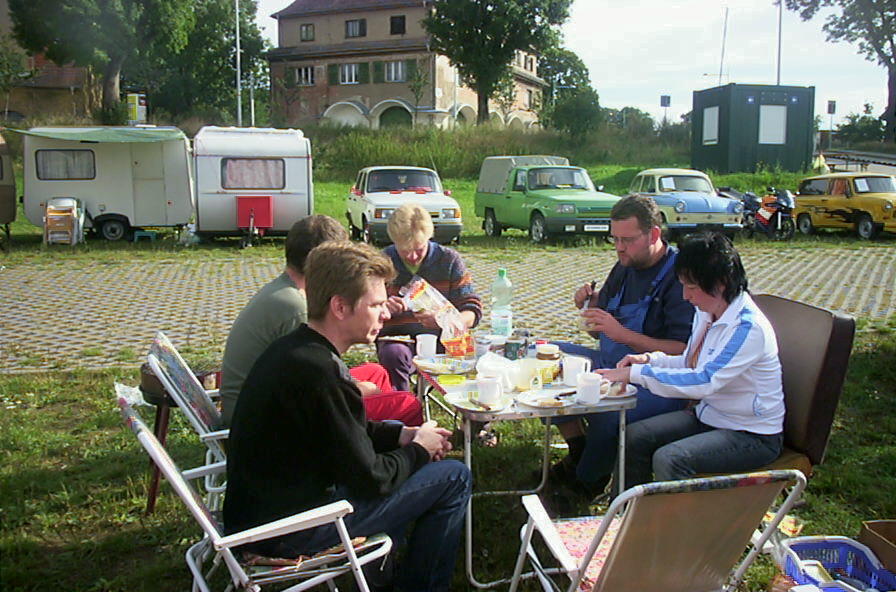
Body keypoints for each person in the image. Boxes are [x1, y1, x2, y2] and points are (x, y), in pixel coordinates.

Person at [224, 241, 471, 592]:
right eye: (376, 305)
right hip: (288, 530)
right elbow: (373, 479)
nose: (385, 315)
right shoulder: (322, 373)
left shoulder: (296, 351)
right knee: (454, 476)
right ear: (340, 307)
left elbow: (341, 431)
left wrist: (401, 435)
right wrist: (419, 449)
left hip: (263, 511)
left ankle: (379, 573)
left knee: (402, 452)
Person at [597, 232, 784, 487]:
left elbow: (704, 381)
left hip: (752, 434)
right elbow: (689, 362)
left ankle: (676, 514)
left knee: (670, 459)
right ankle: (627, 509)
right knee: (635, 436)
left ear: (721, 283)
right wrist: (648, 361)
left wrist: (634, 375)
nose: (685, 296)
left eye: (692, 287)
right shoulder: (707, 312)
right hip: (712, 416)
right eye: (683, 285)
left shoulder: (748, 328)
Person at [550, 196, 695, 496]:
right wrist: (589, 310)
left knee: (608, 414)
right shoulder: (625, 266)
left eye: (627, 240)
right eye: (614, 239)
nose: (619, 248)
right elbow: (599, 335)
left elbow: (684, 351)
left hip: (658, 381)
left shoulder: (680, 277)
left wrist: (623, 334)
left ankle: (586, 484)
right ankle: (579, 448)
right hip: (610, 363)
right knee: (549, 357)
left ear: (654, 234)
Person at [220, 215, 422, 427]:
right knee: (406, 404)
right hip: (264, 416)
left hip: (271, 397)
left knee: (376, 372)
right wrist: (358, 389)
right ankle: (384, 435)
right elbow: (311, 381)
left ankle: (377, 431)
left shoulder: (286, 289)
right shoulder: (296, 307)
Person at [377, 204, 482, 391]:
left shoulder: (448, 260)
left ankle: (463, 404)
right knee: (394, 354)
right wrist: (382, 307)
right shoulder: (382, 262)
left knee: (476, 358)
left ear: (429, 238)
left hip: (443, 342)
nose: (412, 256)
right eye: (404, 250)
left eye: (419, 249)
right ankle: (403, 403)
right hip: (398, 341)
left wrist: (444, 320)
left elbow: (472, 310)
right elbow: (364, 309)